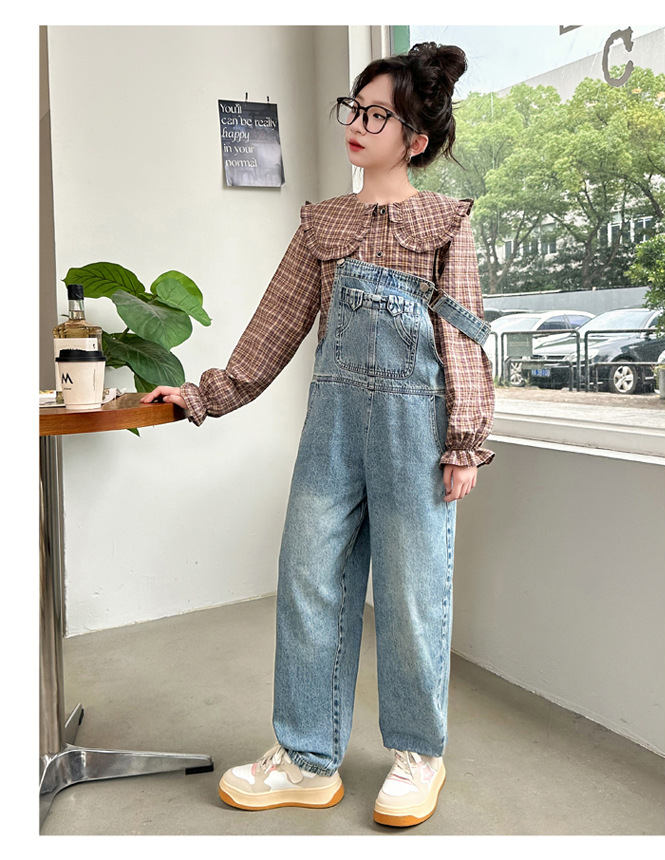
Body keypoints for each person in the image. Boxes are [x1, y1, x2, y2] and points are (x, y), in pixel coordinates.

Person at [142, 41, 495, 828]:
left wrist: (465, 441)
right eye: (355, 109)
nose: (357, 125)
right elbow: (275, 324)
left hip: (414, 434)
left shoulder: (446, 223)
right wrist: (203, 394)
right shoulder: (321, 223)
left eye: (378, 116)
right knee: (308, 580)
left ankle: (418, 754)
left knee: (410, 596)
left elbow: (464, 335)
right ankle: (306, 759)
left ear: (416, 140)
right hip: (332, 430)